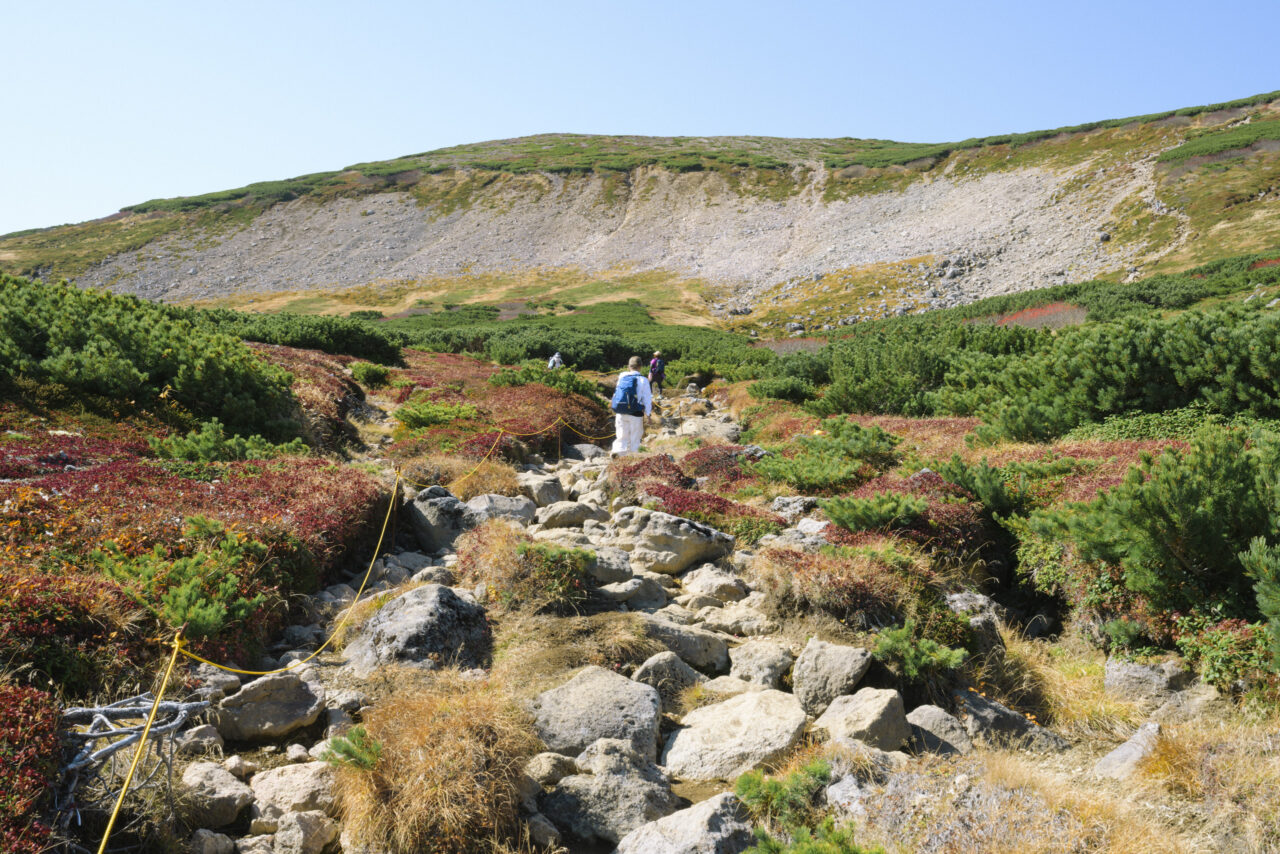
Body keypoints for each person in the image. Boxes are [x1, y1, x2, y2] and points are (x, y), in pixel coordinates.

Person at [610, 356, 653, 456]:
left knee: (621, 436)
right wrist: (648, 415)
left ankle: (618, 456)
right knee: (635, 438)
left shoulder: (622, 376)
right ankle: (633, 457)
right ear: (640, 366)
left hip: (621, 411)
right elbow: (647, 399)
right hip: (635, 413)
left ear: (629, 366)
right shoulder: (643, 380)